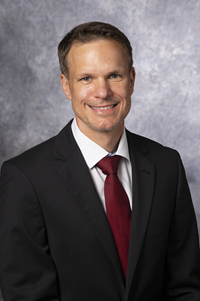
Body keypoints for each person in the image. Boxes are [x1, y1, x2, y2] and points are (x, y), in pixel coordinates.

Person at [0, 21, 200, 301]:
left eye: (114, 75)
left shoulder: (167, 165)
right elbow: (26, 294)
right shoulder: (25, 178)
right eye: (86, 78)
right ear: (66, 86)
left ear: (131, 79)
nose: (102, 92)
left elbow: (186, 286)